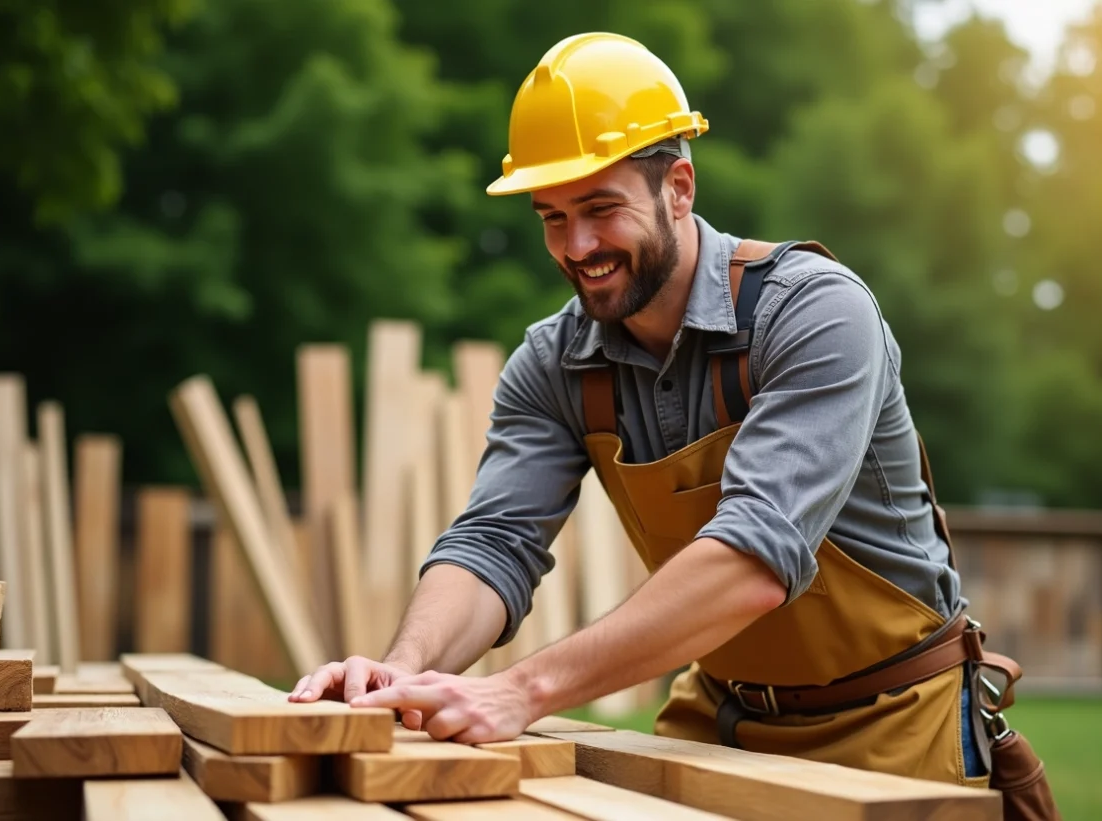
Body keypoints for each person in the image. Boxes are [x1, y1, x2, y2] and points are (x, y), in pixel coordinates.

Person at [288, 31, 1022, 788]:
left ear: (679, 187)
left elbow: (753, 559)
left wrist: (520, 688)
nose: (578, 246)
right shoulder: (552, 364)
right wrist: (400, 671)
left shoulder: (814, 312)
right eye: (551, 217)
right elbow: (494, 542)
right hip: (722, 721)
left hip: (894, 721)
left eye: (600, 208)